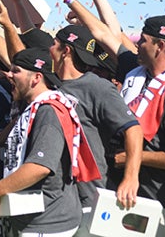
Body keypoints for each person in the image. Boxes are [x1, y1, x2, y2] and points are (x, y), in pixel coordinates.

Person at [40, 0, 165, 236]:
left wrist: (134, 157)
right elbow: (104, 32)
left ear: (160, 46)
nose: (136, 43)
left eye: (143, 40)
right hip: (126, 195)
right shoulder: (134, 71)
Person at [0, 48, 100, 236]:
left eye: (16, 71)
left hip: (48, 221)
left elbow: (40, 166)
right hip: (34, 218)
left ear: (36, 78)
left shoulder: (48, 111)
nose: (9, 75)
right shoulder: (34, 107)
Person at [49, 25, 142, 236]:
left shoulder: (97, 87)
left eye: (53, 44)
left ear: (66, 51)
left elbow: (133, 129)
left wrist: (130, 177)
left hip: (92, 201)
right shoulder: (51, 88)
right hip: (59, 204)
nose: (48, 49)